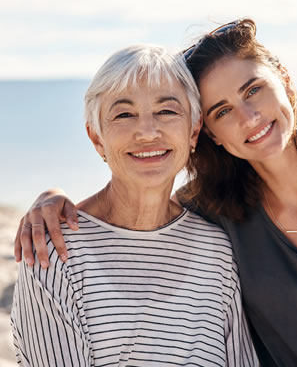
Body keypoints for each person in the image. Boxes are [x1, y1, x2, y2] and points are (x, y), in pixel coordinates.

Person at [14, 19, 297, 366]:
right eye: (223, 111)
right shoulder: (215, 212)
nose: (249, 117)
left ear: (283, 76)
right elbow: (137, 205)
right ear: (207, 131)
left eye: (253, 89)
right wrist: (50, 198)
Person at [10, 44, 258, 367]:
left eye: (166, 111)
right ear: (97, 138)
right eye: (124, 114)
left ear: (194, 130)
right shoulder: (54, 250)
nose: (147, 131)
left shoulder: (217, 253)